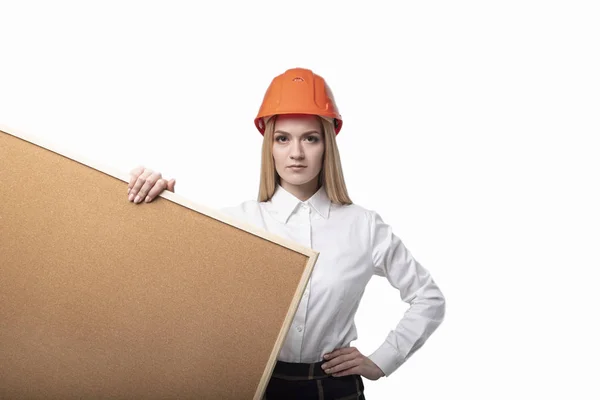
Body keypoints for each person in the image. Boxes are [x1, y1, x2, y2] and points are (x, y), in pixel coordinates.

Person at [126, 68, 446, 399]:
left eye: (310, 138)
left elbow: (428, 298)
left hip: (335, 389)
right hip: (255, 386)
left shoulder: (363, 226)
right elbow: (166, 285)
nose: (296, 153)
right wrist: (157, 210)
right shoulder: (237, 222)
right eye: (283, 138)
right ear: (270, 146)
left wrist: (381, 361)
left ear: (327, 145)